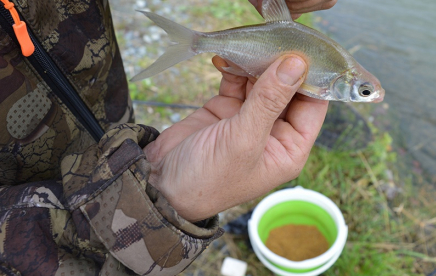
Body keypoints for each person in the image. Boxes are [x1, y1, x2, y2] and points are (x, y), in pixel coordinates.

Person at [0, 0, 337, 275]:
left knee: (115, 137)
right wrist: (160, 200)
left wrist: (149, 172)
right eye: (364, 92)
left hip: (104, 105)